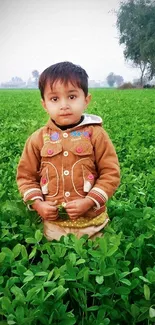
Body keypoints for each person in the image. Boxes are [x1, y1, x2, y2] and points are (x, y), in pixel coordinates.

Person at [16, 61, 120, 240]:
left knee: (95, 263)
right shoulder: (37, 139)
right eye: (55, 99)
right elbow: (26, 177)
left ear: (86, 100)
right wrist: (38, 204)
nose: (64, 105)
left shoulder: (96, 135)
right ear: (44, 104)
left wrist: (89, 202)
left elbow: (110, 173)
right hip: (53, 225)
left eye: (72, 97)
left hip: (93, 223)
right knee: (55, 261)